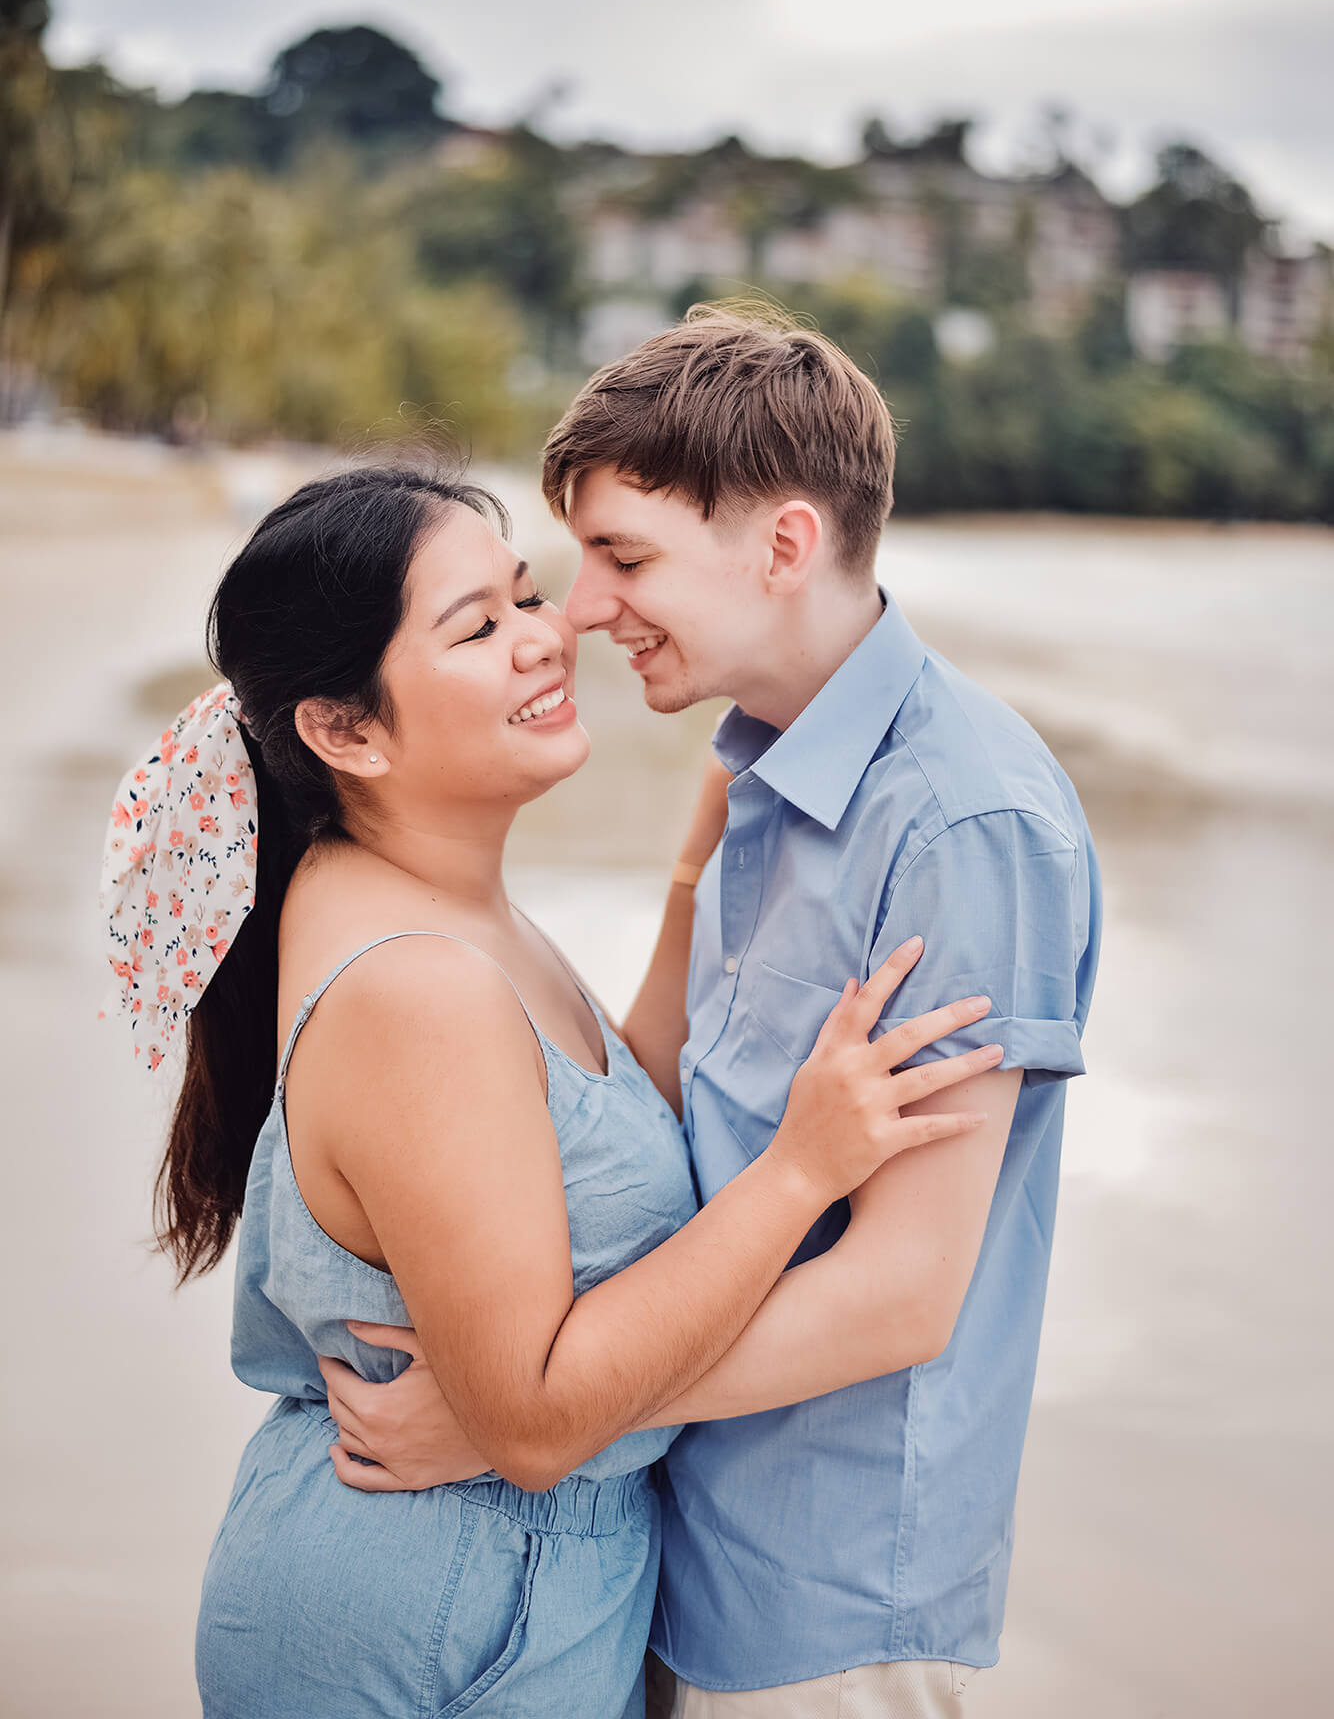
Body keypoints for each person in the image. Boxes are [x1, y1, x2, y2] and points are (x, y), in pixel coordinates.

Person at [99, 459, 1001, 1719]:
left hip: (474, 1596)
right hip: (434, 1624)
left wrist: (699, 873)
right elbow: (529, 1417)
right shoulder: (419, 985)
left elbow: (590, 1123)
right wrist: (801, 1169)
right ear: (344, 728)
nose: (549, 635)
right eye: (478, 627)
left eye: (526, 595)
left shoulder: (431, 901)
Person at [325, 309, 1102, 1718]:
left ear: (784, 548)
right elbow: (659, 1092)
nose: (576, 608)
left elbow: (901, 1295)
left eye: (624, 556)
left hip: (825, 1595)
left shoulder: (960, 822)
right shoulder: (755, 764)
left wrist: (529, 1422)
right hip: (667, 1542)